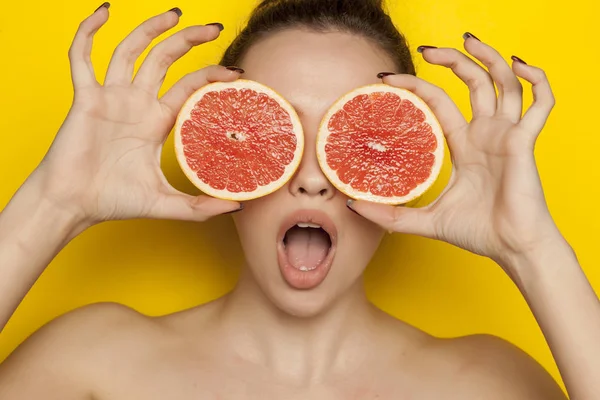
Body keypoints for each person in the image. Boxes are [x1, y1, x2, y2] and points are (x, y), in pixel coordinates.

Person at [0, 0, 598, 398]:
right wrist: (57, 201)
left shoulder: (487, 385)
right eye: (274, 132)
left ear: (406, 163)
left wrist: (533, 249)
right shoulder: (95, 365)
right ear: (218, 159)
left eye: (358, 139)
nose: (312, 178)